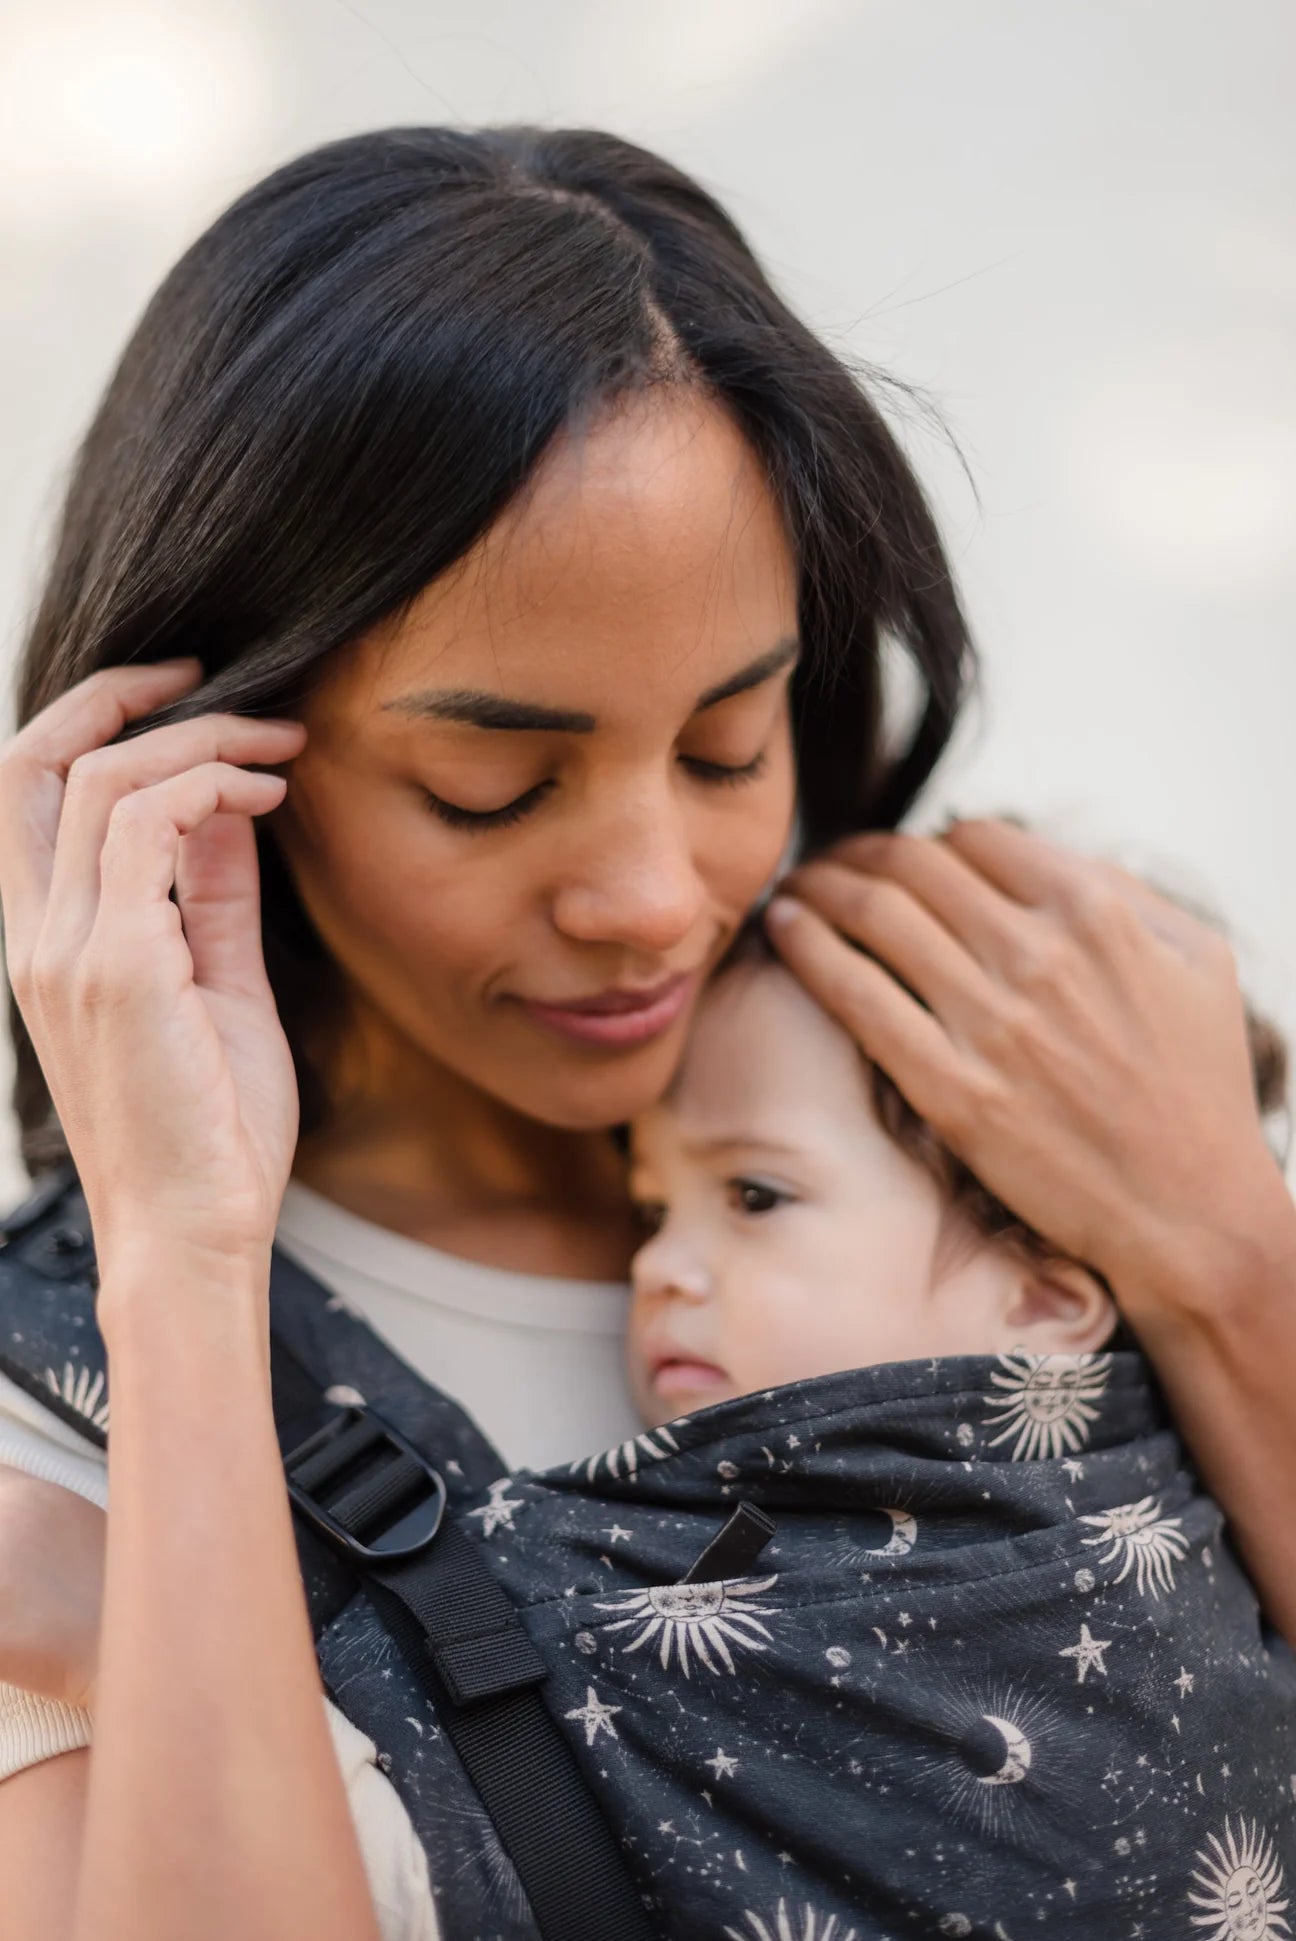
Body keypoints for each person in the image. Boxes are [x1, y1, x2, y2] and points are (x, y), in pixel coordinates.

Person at [0, 123, 1293, 1941]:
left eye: (725, 749)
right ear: (216, 764)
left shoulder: (1004, 1100)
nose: (656, 896)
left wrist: (1225, 1245)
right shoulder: (52, 1422)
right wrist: (183, 1260)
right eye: (493, 786)